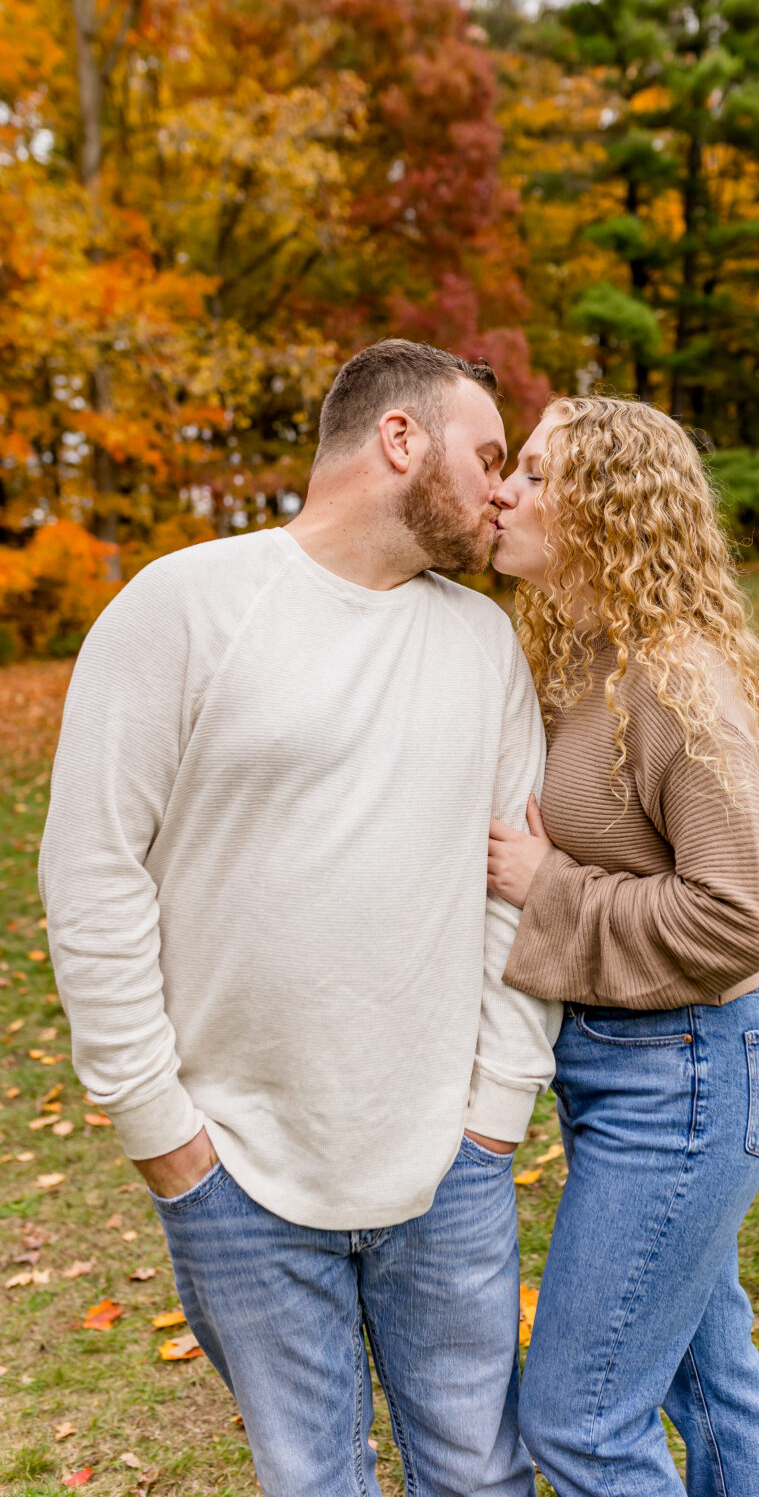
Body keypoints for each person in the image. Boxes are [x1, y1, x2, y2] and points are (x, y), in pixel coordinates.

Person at [39, 339, 562, 1497]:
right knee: (312, 1481)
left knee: (480, 1479)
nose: (501, 491)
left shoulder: (482, 644)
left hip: (449, 1171)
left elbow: (510, 894)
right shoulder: (180, 605)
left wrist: (492, 1117)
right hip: (236, 1174)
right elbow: (91, 873)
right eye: (486, 456)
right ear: (398, 439)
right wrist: (165, 1137)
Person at [487, 395, 759, 1497]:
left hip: (690, 1077)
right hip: (633, 1072)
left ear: (606, 509)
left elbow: (740, 915)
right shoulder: (586, 658)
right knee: (711, 1381)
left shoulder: (672, 678)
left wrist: (546, 889)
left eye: (533, 472)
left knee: (576, 1421)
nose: (504, 491)